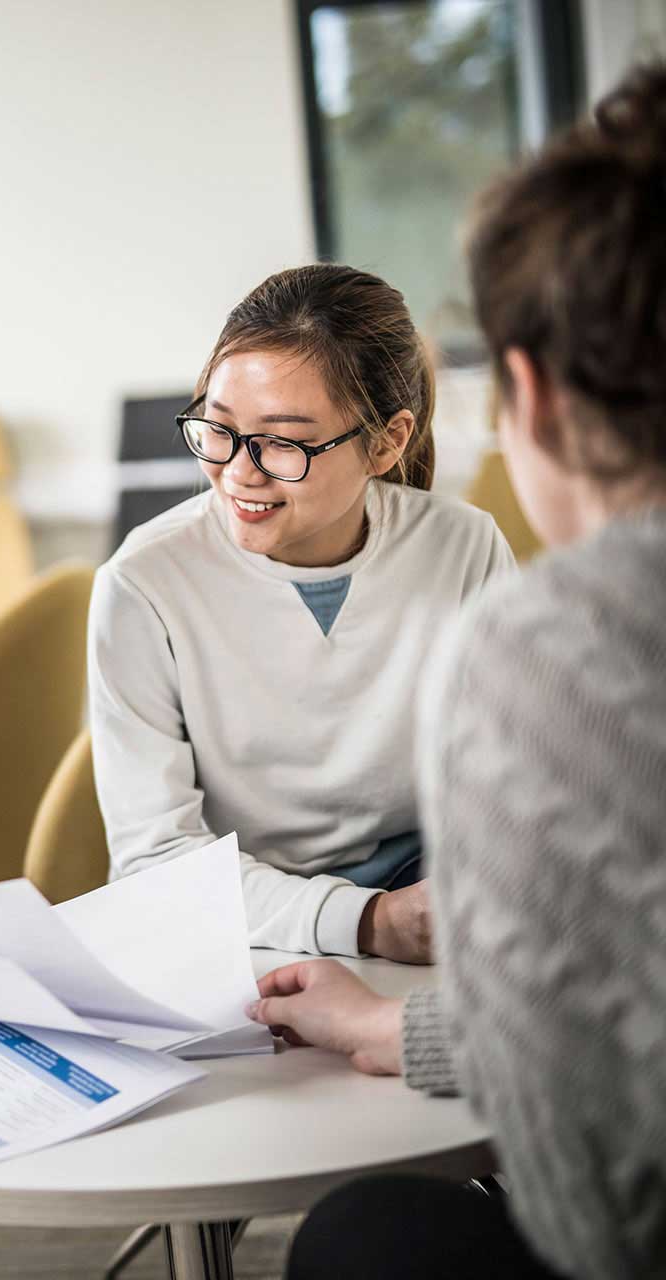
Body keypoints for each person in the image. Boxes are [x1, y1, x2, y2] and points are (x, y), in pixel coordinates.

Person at [249, 60, 666, 1280]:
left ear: (526, 396)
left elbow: (600, 1209)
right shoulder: (148, 582)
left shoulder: (555, 647)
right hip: (365, 963)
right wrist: (406, 1024)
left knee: (359, 1240)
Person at [88, 264, 515, 959]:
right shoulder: (144, 585)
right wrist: (368, 921)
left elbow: (512, 788)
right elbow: (155, 862)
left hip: (435, 899)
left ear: (386, 442)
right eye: (217, 430)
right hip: (241, 923)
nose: (239, 473)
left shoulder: (462, 546)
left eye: (284, 443)